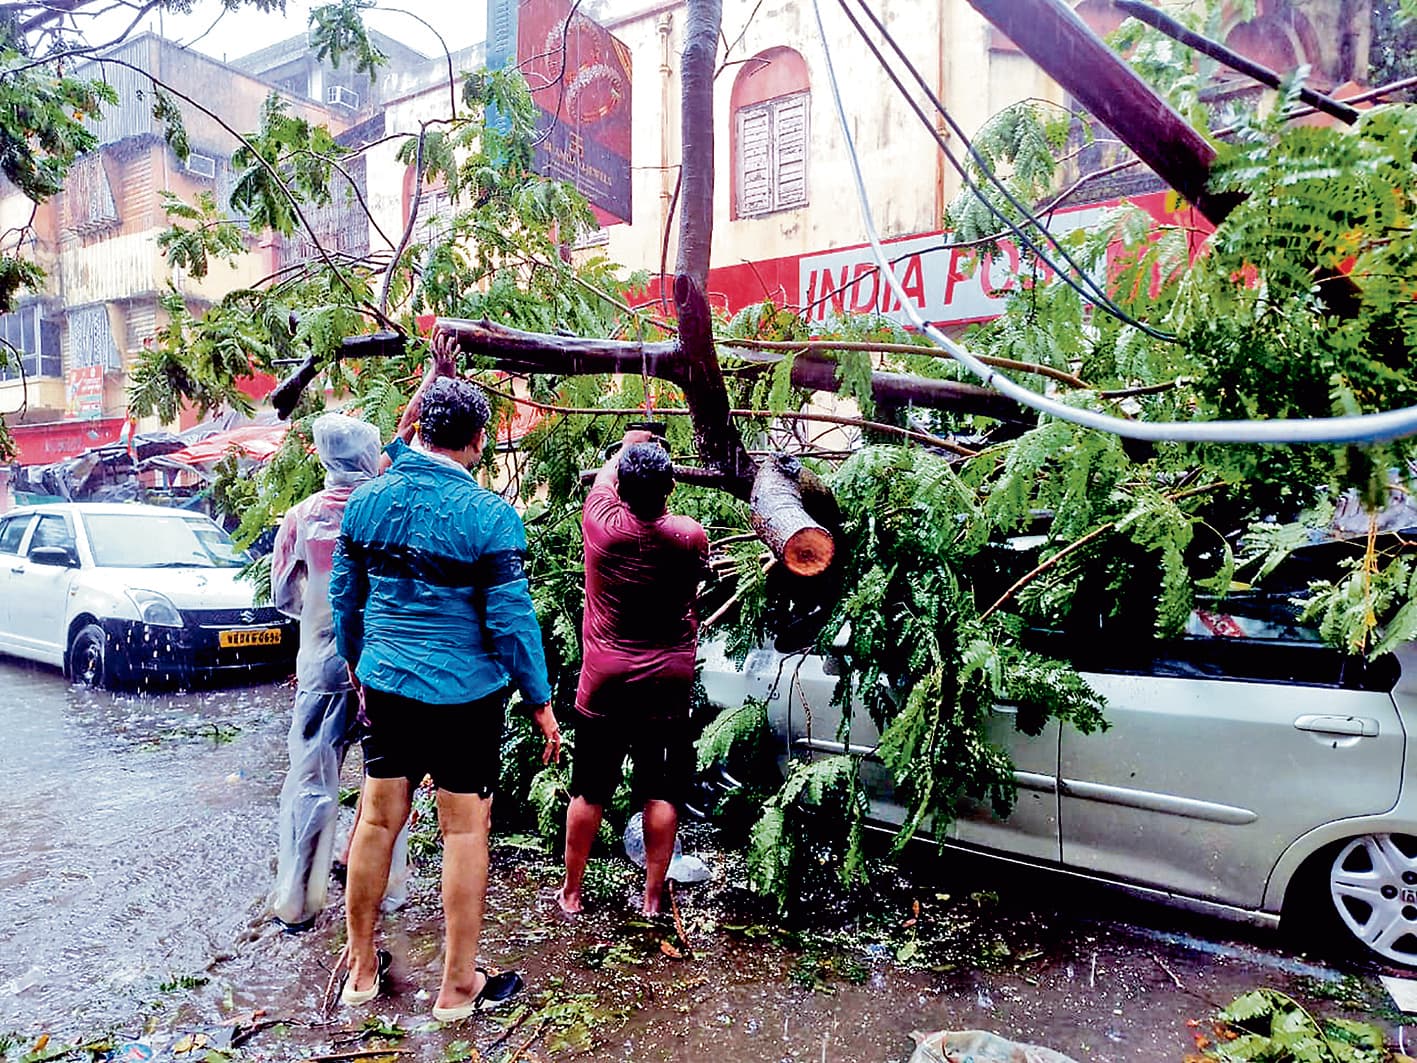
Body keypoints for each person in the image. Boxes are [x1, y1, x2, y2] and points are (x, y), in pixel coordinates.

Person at [330, 362, 561, 1020]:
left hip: (389, 685)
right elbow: (511, 623)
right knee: (464, 832)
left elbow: (347, 600)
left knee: (376, 819)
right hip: (465, 697)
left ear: (422, 430)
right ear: (479, 439)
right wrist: (540, 702)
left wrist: (358, 668)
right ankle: (457, 986)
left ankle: (361, 966)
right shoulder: (491, 517)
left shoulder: (366, 501)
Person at [556, 429, 709, 917]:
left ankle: (572, 894)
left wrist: (627, 443)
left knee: (588, 787)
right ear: (671, 489)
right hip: (667, 685)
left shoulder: (602, 526)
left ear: (621, 489)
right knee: (660, 791)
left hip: (606, 683)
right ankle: (651, 897)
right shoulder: (689, 535)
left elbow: (603, 479)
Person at [268, 412, 392, 930]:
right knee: (384, 780)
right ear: (368, 455)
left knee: (312, 781)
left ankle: (298, 902)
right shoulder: (387, 510)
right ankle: (381, 893)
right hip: (385, 664)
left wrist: (320, 625)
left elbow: (283, 595)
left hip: (322, 667)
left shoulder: (300, 517)